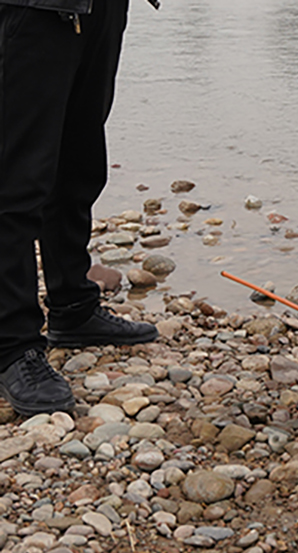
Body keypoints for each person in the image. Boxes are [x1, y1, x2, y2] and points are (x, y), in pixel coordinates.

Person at [0, 0, 160, 417]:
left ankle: (73, 308)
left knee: (80, 164)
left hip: (99, 9)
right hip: (30, 9)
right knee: (17, 181)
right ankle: (12, 345)